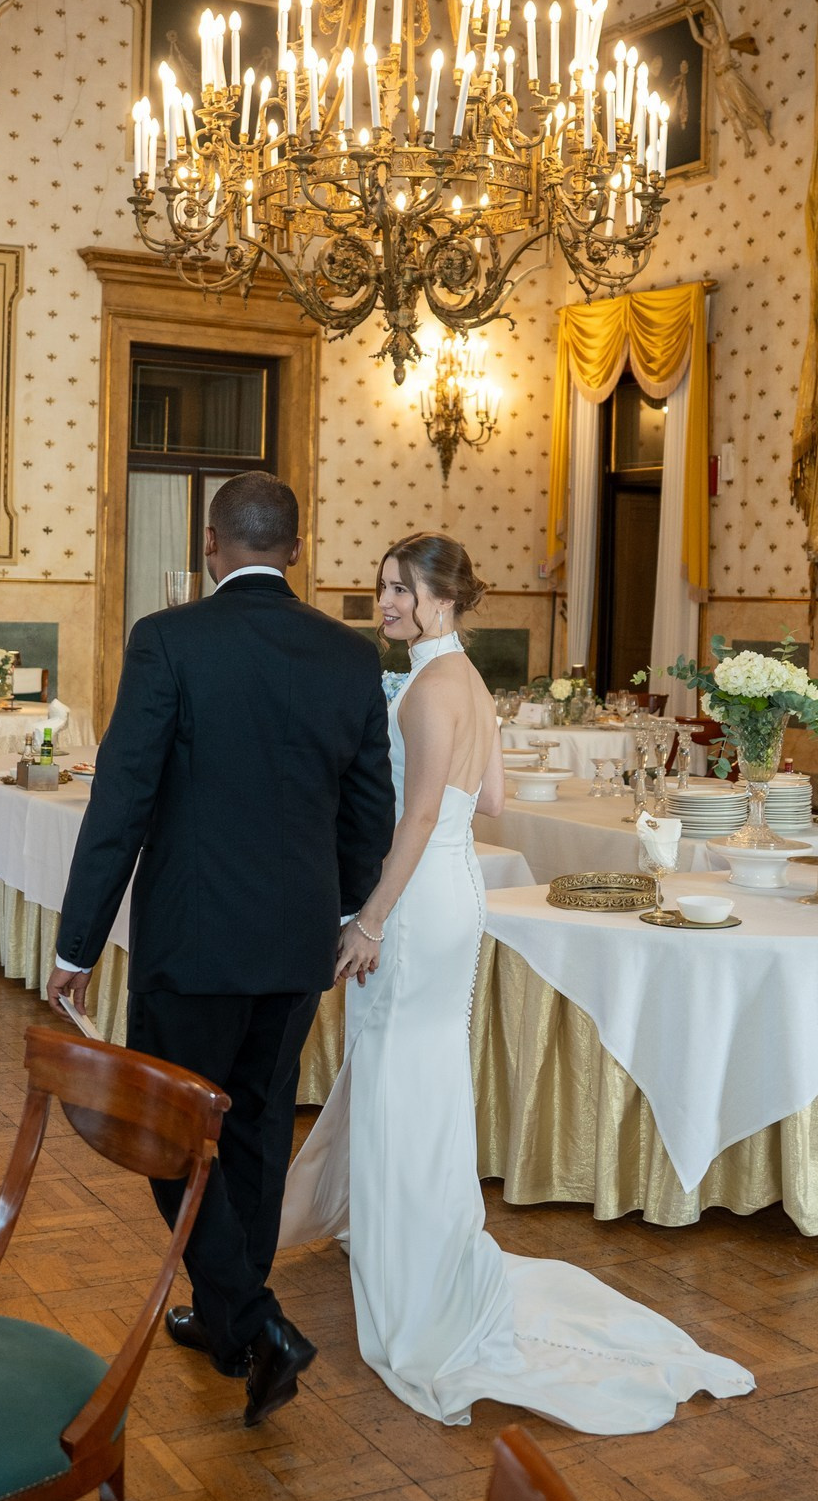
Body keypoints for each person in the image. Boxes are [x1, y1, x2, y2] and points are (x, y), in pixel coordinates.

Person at [279, 532, 755, 1432]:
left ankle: (415, 1266)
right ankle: (411, 1235)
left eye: (396, 591)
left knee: (397, 1071)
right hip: (459, 894)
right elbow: (490, 799)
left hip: (416, 902)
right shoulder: (469, 680)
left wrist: (369, 918)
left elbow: (419, 813)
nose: (381, 604)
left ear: (441, 601)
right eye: (382, 589)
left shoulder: (426, 687)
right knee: (419, 1069)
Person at [48, 472, 391, 1427]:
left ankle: (253, 1319)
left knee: (170, 1137)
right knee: (252, 1131)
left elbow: (122, 803)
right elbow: (370, 812)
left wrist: (78, 942)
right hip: (297, 945)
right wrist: (347, 914)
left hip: (193, 942)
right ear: (295, 548)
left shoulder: (169, 639)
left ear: (212, 545)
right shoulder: (346, 655)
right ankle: (232, 1318)